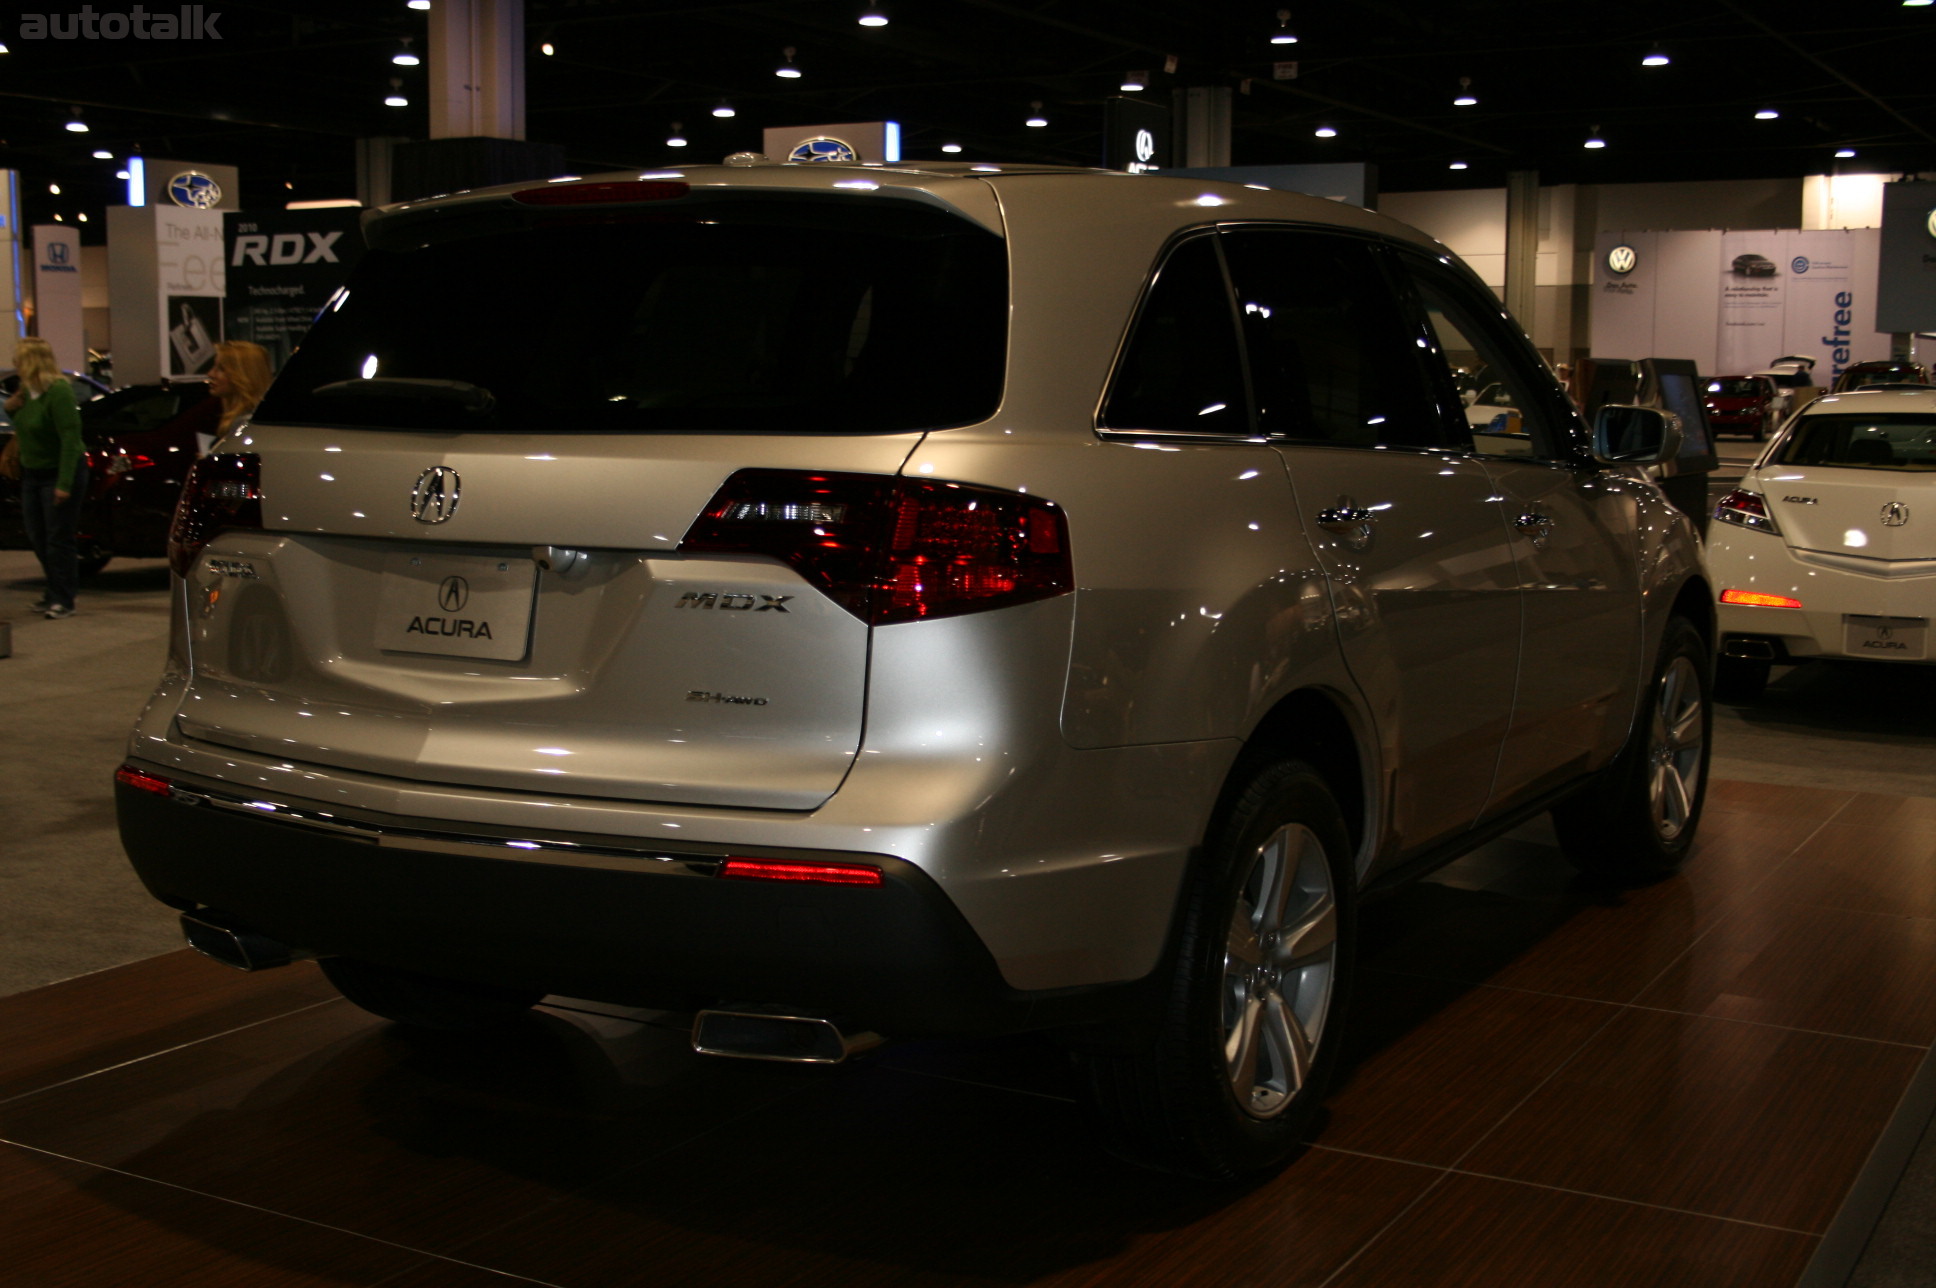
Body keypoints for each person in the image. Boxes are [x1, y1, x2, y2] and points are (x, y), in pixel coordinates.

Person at [4, 338, 87, 619]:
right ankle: (52, 592)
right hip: (33, 474)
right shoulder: (27, 392)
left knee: (58, 539)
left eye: (20, 360)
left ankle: (64, 598)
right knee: (37, 536)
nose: (15, 365)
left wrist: (64, 484)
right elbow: (26, 426)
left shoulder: (58, 391)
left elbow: (70, 439)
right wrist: (11, 408)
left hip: (60, 473)